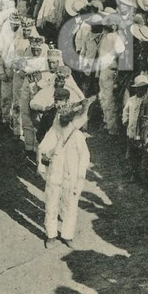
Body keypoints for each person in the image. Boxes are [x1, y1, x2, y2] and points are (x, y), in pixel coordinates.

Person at [37, 91, 90, 248]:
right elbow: (42, 148)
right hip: (55, 174)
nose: (63, 119)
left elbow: (85, 157)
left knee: (70, 206)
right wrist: (44, 160)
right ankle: (51, 235)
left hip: (71, 176)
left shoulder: (77, 136)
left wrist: (80, 177)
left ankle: (67, 235)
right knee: (51, 205)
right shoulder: (53, 132)